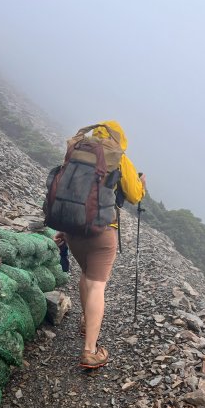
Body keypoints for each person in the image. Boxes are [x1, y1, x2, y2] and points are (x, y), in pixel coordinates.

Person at [54, 121, 145, 369]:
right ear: (119, 138)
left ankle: (86, 322)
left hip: (72, 227)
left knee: (85, 274)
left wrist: (63, 227)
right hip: (102, 232)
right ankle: (90, 351)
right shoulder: (117, 156)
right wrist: (141, 184)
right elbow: (135, 195)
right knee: (97, 285)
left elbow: (69, 191)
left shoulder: (78, 151)